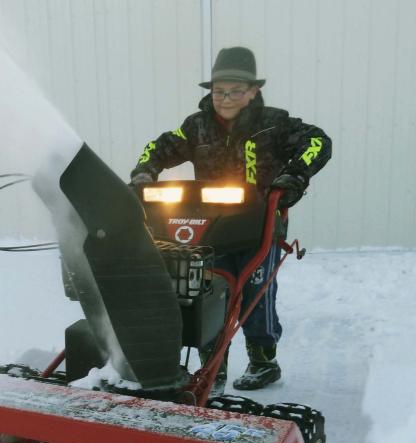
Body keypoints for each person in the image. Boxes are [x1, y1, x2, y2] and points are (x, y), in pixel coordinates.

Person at [131, 46, 331, 391]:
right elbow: (159, 148)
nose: (226, 98)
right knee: (208, 290)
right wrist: (144, 173)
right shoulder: (196, 127)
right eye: (219, 90)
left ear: (253, 91)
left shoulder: (274, 125)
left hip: (259, 225)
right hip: (210, 228)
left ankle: (263, 360)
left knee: (255, 293)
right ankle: (213, 363)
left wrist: (293, 177)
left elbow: (318, 141)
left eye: (236, 90)